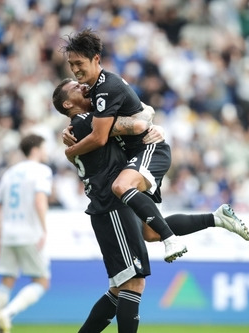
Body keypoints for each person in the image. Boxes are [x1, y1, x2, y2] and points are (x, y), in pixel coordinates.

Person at [52, 78, 249, 333]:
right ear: (68, 103)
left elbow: (137, 116)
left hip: (111, 204)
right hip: (111, 207)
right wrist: (149, 126)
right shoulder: (84, 123)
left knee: (138, 255)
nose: (81, 85)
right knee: (131, 284)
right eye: (74, 87)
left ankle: (216, 218)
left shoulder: (80, 126)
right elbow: (136, 122)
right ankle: (206, 222)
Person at [61, 28, 187, 263]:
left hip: (149, 149)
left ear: (95, 59)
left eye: (79, 63)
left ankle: (171, 239)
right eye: (71, 64)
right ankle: (216, 218)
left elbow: (100, 137)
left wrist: (70, 152)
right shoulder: (96, 90)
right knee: (149, 232)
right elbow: (140, 112)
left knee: (120, 186)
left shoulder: (105, 88)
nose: (75, 69)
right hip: (135, 155)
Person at [0, 134, 53, 333]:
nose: (46, 152)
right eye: (44, 148)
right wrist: (44, 229)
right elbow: (39, 200)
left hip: (8, 233)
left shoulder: (10, 172)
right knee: (41, 281)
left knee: (7, 280)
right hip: (29, 233)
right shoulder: (42, 170)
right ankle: (7, 314)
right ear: (35, 150)